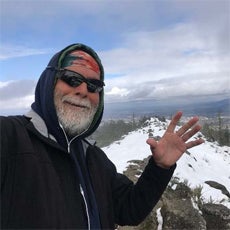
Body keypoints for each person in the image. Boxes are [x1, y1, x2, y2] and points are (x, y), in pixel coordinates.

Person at [0, 43, 204, 229]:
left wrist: (160, 169)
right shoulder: (10, 137)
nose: (83, 91)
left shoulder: (93, 158)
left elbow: (128, 210)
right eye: (72, 79)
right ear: (49, 82)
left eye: (93, 86)